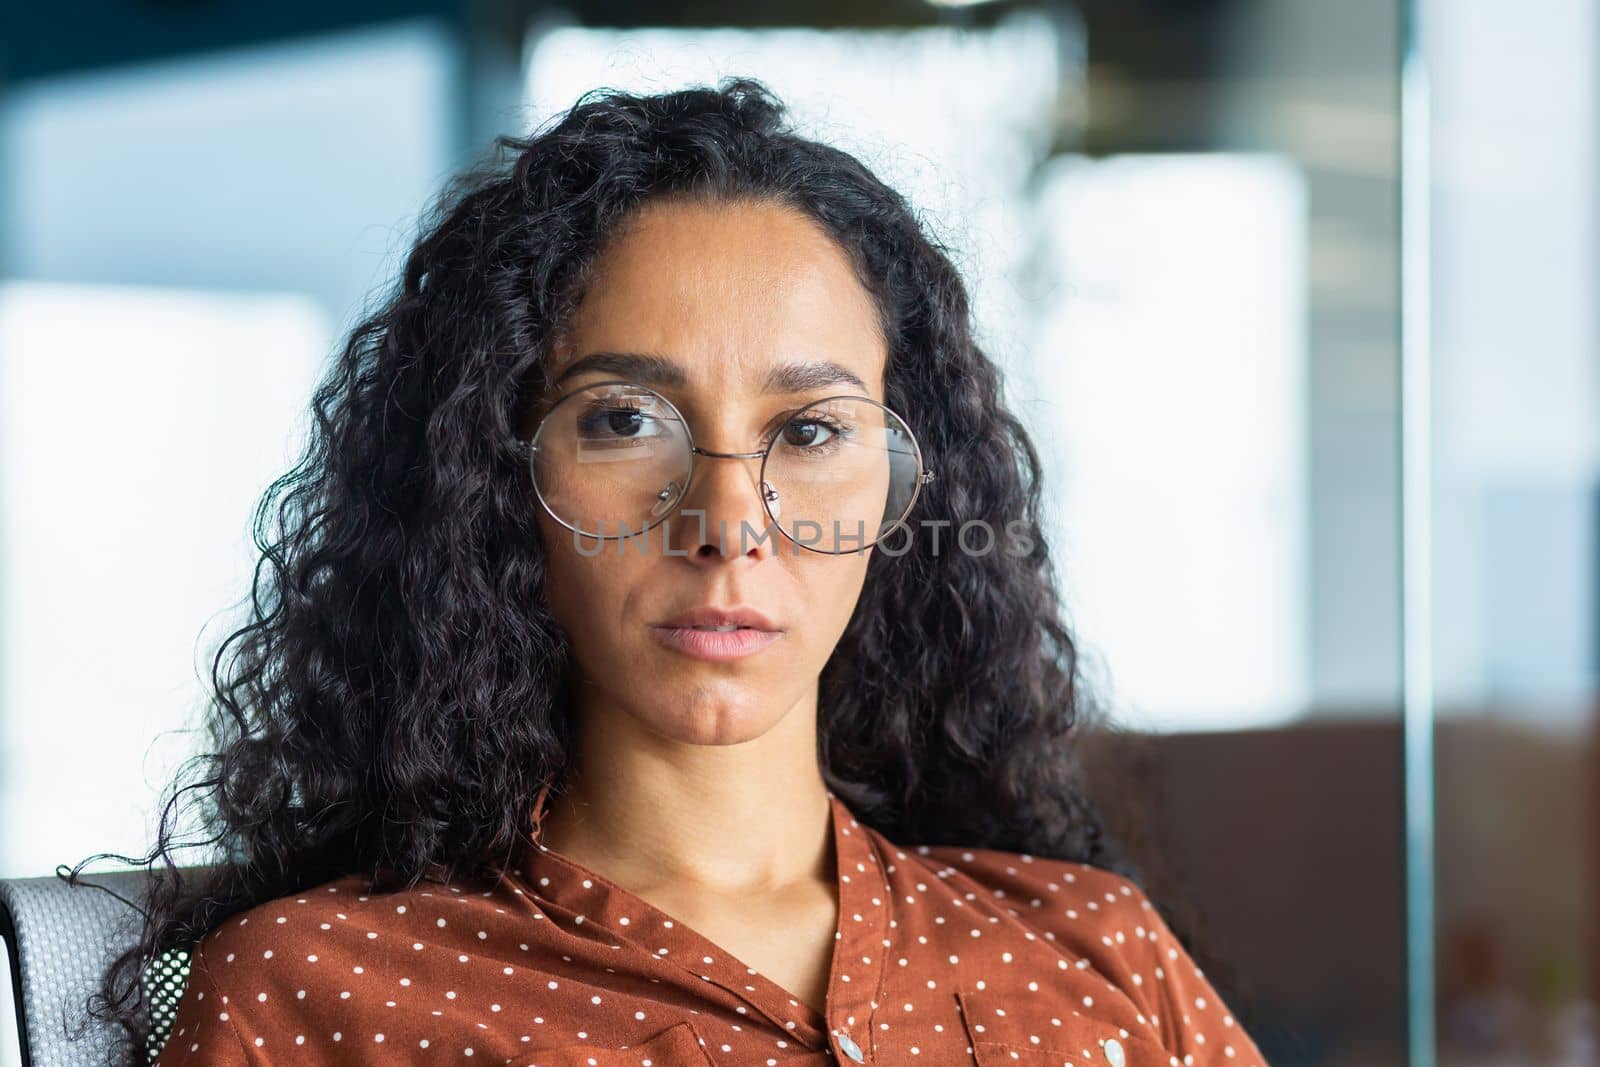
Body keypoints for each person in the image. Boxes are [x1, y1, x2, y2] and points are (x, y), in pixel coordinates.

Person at [83, 77, 1268, 1066]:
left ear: (906, 490)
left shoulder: (1091, 950)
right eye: (623, 421)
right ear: (491, 480)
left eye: (809, 432)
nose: (726, 521)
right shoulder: (321, 992)